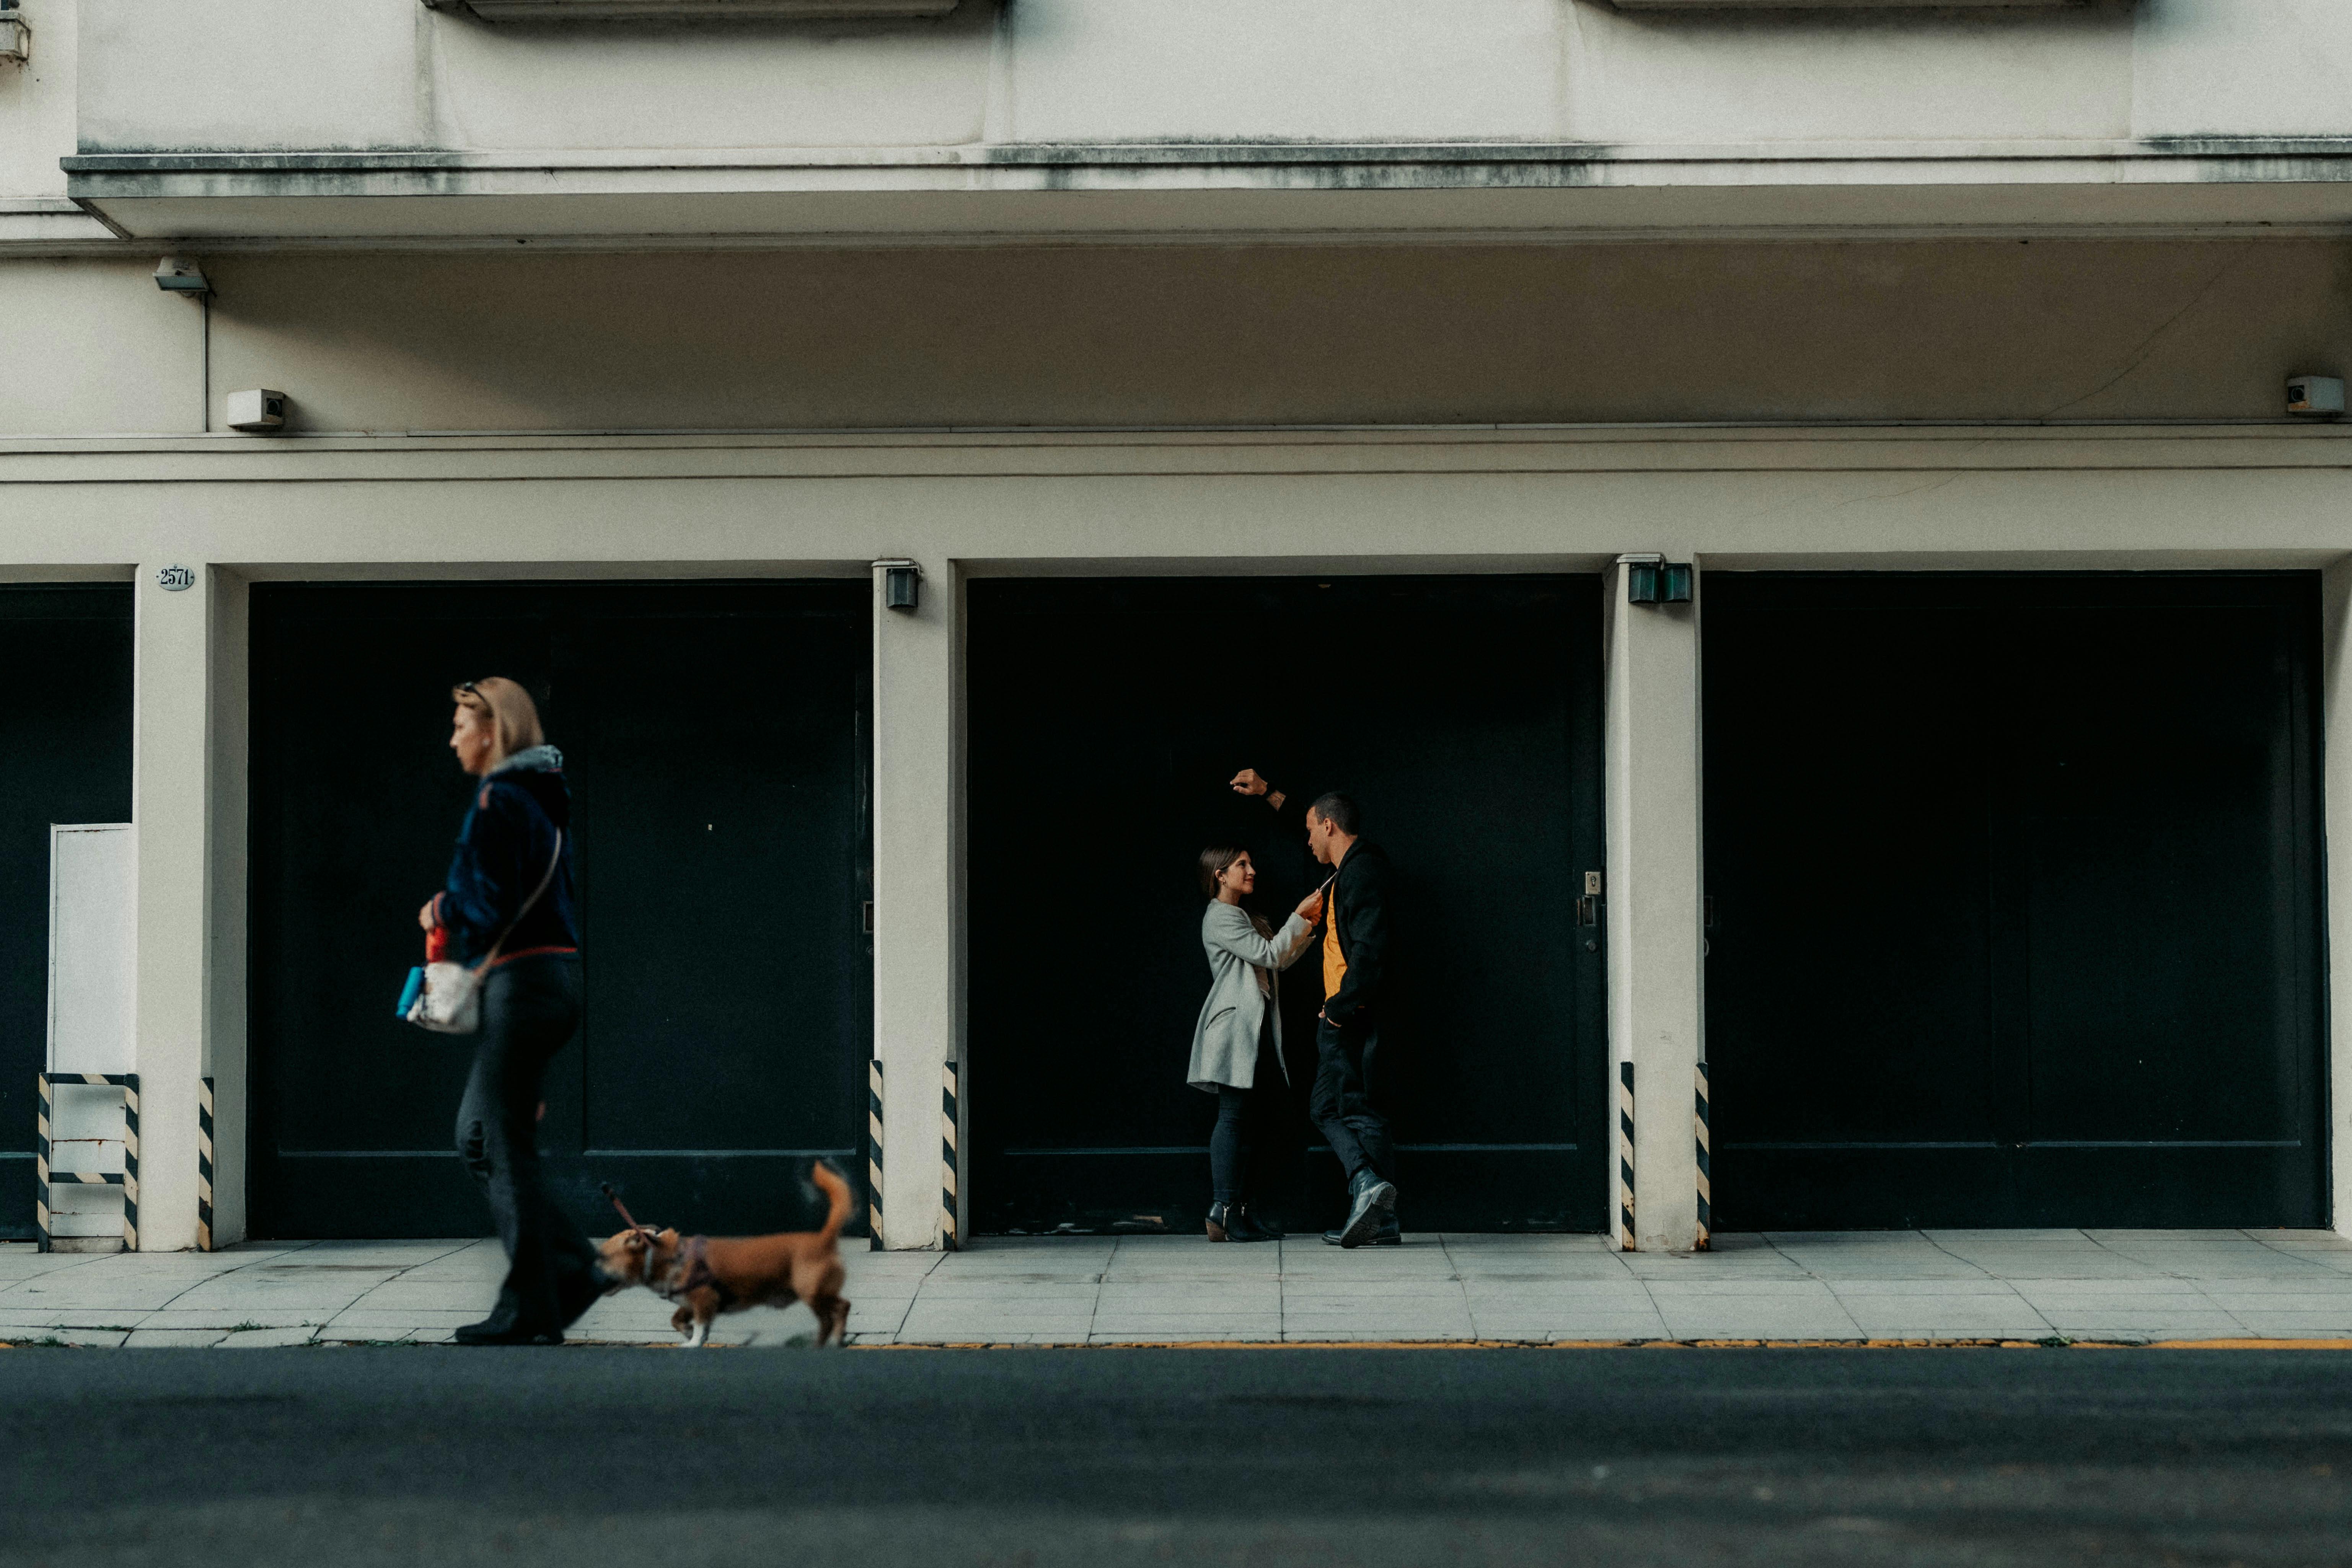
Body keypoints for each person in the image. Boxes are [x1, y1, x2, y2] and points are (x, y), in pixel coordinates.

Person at [418, 676, 601, 1345]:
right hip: (553, 981)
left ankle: (534, 1300)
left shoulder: (499, 798)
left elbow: (486, 906)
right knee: (482, 1134)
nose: (454, 738)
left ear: (492, 730)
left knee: (498, 1140)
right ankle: (568, 1268)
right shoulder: (547, 799)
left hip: (522, 986)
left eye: (461, 724)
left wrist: (441, 908)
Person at [1230, 769, 1399, 1248]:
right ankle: (1373, 1197)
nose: (1306, 841)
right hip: (1343, 1012)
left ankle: (1374, 1200)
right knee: (1330, 1106)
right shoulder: (1349, 870)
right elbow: (1309, 816)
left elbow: (1371, 954)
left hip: (1352, 1014)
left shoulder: (1363, 871)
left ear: (1329, 826)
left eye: (1311, 830)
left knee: (1356, 1110)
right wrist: (1268, 794)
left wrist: (1340, 1010)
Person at [1189, 847, 1323, 1243]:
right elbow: (1269, 954)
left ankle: (1240, 1209)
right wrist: (1299, 918)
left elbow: (1275, 962)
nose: (1252, 871)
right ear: (1220, 875)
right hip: (1235, 1029)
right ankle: (1224, 1208)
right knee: (1232, 1116)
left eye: (1250, 863)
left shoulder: (1243, 917)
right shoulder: (1221, 916)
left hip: (1256, 1028)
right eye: (1241, 865)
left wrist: (1305, 925)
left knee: (1268, 1121)